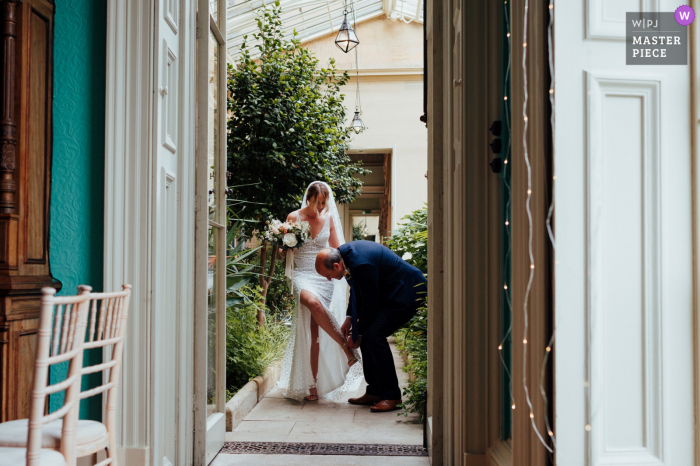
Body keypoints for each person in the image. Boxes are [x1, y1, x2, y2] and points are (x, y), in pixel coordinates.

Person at [315, 241, 427, 412]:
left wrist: (358, 334)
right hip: (391, 292)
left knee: (373, 335)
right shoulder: (344, 257)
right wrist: (350, 318)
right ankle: (375, 391)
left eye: (328, 275)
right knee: (368, 335)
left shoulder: (361, 263)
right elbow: (356, 289)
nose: (329, 279)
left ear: (336, 265)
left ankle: (392, 396)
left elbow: (370, 302)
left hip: (407, 292)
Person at [277, 181, 363, 402]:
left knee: (314, 333)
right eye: (318, 203)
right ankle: (346, 349)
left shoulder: (329, 219)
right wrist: (281, 243)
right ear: (309, 200)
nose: (322, 208)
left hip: (323, 277)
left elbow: (337, 250)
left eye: (324, 203)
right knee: (312, 302)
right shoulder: (293, 218)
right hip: (303, 274)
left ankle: (313, 385)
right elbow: (283, 252)